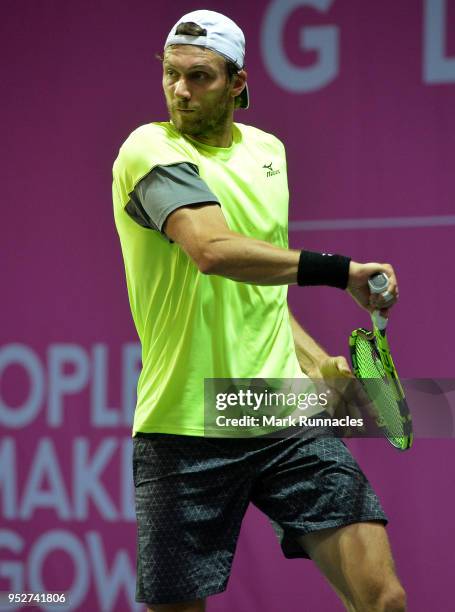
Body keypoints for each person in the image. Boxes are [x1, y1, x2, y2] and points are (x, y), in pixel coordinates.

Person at [112, 10, 406, 612]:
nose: (180, 91)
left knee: (383, 599)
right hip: (184, 423)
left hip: (277, 408)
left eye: (200, 77)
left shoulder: (269, 154)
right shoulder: (148, 149)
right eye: (171, 75)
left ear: (238, 83)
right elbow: (213, 251)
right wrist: (339, 271)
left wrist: (315, 359)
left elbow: (260, 289)